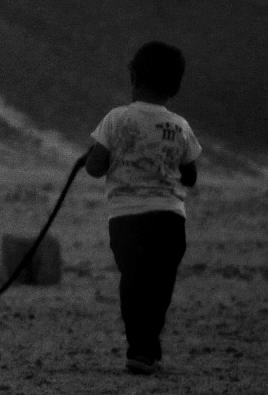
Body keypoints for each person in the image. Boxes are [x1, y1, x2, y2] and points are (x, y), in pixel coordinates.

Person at [83, 40, 201, 375]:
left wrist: (94, 152)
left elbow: (95, 167)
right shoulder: (180, 126)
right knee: (161, 284)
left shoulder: (116, 119)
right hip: (169, 218)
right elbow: (190, 175)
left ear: (134, 76)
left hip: (125, 219)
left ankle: (140, 347)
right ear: (175, 86)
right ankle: (147, 345)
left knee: (133, 282)